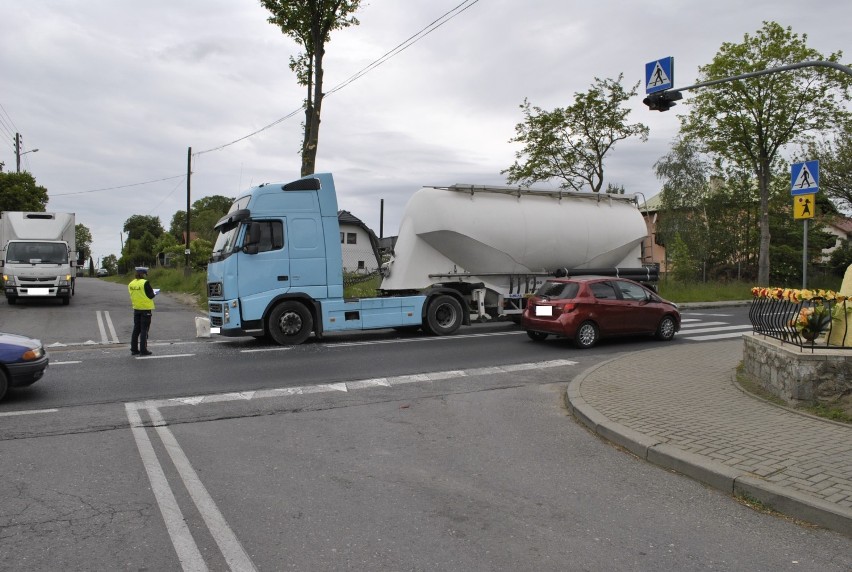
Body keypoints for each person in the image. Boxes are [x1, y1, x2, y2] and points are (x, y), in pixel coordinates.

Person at [128, 267, 156, 356]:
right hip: (145, 309)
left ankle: (134, 349)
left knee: (136, 329)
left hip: (136, 308)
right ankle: (143, 350)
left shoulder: (131, 284)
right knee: (144, 330)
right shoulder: (145, 283)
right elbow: (151, 295)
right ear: (143, 274)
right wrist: (155, 293)